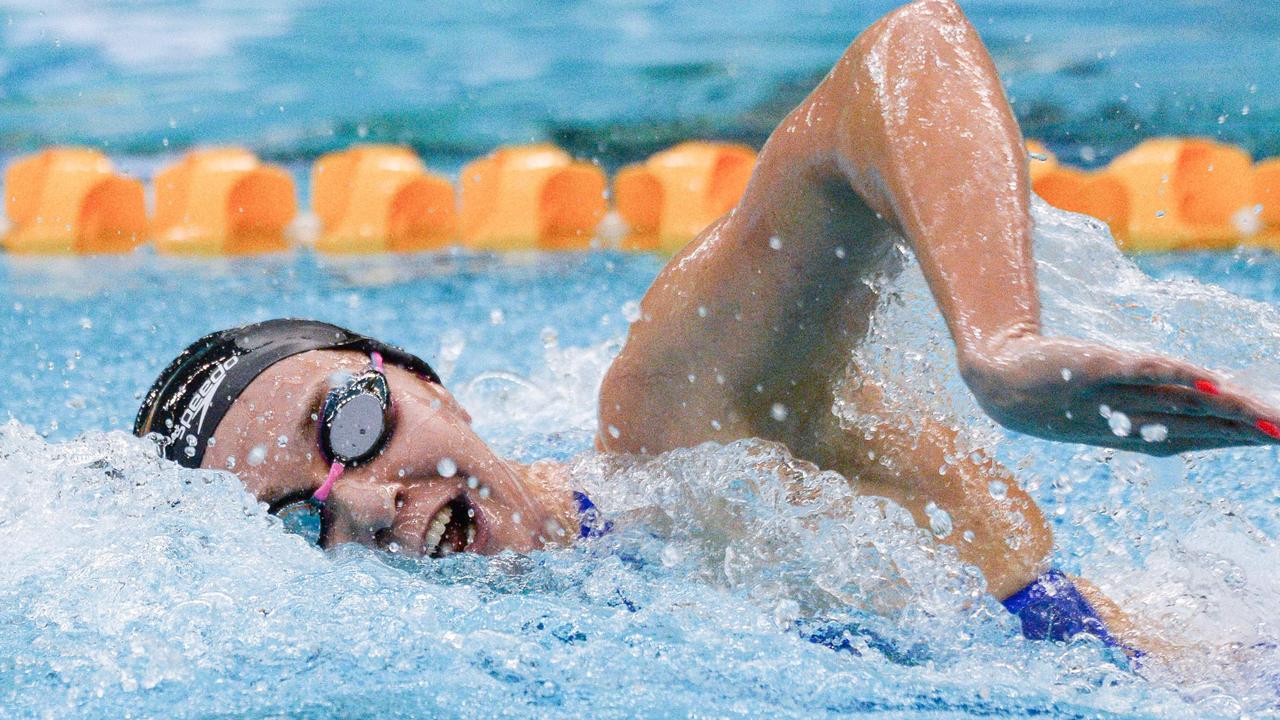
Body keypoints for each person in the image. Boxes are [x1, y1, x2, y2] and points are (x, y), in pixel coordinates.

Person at [134, 0, 1279, 656]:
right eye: (298, 523)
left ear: (429, 384)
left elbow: (902, 55)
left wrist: (1001, 343)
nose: (373, 504)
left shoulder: (678, 430)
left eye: (353, 421)